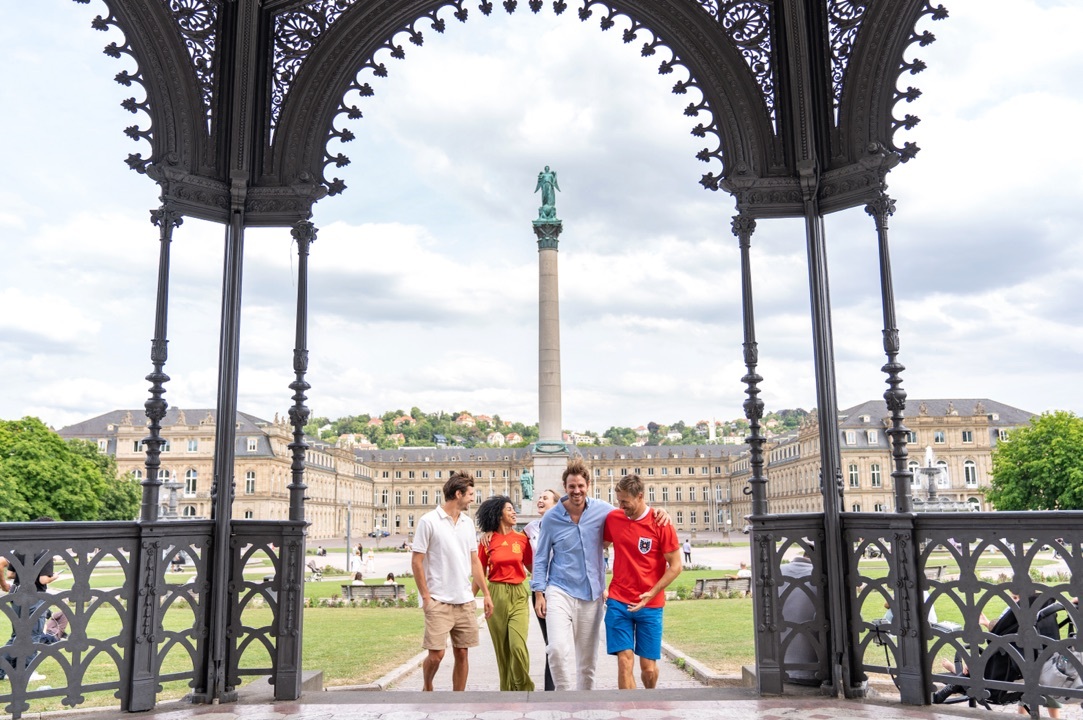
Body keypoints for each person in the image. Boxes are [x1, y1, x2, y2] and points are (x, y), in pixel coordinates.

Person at [531, 460, 671, 691]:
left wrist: (658, 511)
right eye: (571, 486)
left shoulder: (603, 510)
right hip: (559, 589)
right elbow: (541, 558)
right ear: (565, 487)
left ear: (588, 485)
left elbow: (635, 510)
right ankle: (565, 697)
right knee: (556, 649)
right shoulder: (551, 518)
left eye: (581, 485)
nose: (576, 491)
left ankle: (584, 702)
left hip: (591, 592)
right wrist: (539, 593)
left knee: (587, 660)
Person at [411, 472, 493, 691]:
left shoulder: (467, 523)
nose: (473, 498)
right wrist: (426, 597)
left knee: (462, 653)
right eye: (471, 494)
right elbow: (417, 561)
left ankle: (458, 698)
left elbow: (475, 561)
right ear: (458, 494)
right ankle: (427, 685)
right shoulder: (429, 521)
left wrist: (485, 594)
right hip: (438, 599)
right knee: (437, 655)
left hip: (464, 599)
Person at [603, 474, 683, 689]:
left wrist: (651, 592)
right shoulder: (614, 518)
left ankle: (649, 699)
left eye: (625, 502)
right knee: (624, 661)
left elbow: (676, 566)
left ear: (640, 496)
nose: (621, 506)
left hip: (651, 604)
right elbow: (598, 544)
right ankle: (629, 711)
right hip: (618, 601)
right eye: (618, 501)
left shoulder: (660, 524)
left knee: (648, 669)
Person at [476, 495, 534, 691]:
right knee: (503, 651)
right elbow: (479, 572)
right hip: (496, 594)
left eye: (514, 509)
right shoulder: (487, 540)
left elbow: (532, 566)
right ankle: (507, 692)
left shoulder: (522, 539)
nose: (514, 512)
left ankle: (524, 688)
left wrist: (549, 586)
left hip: (518, 593)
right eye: (509, 509)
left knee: (517, 645)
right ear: (498, 513)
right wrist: (470, 599)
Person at [0, 518, 63, 682]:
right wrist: (54, 577)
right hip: (35, 596)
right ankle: (26, 671)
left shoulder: (22, 549)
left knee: (17, 635)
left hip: (16, 594)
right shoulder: (46, 553)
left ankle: (5, 670)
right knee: (33, 636)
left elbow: (10, 575)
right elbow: (43, 580)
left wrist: (5, 585)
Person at [523, 488, 560, 691]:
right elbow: (511, 542)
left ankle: (555, 688)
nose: (540, 500)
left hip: (562, 590)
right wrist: (488, 533)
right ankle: (550, 690)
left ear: (555, 504)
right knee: (551, 643)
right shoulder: (530, 529)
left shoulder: (563, 525)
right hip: (541, 591)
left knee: (558, 645)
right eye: (539, 497)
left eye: (545, 498)